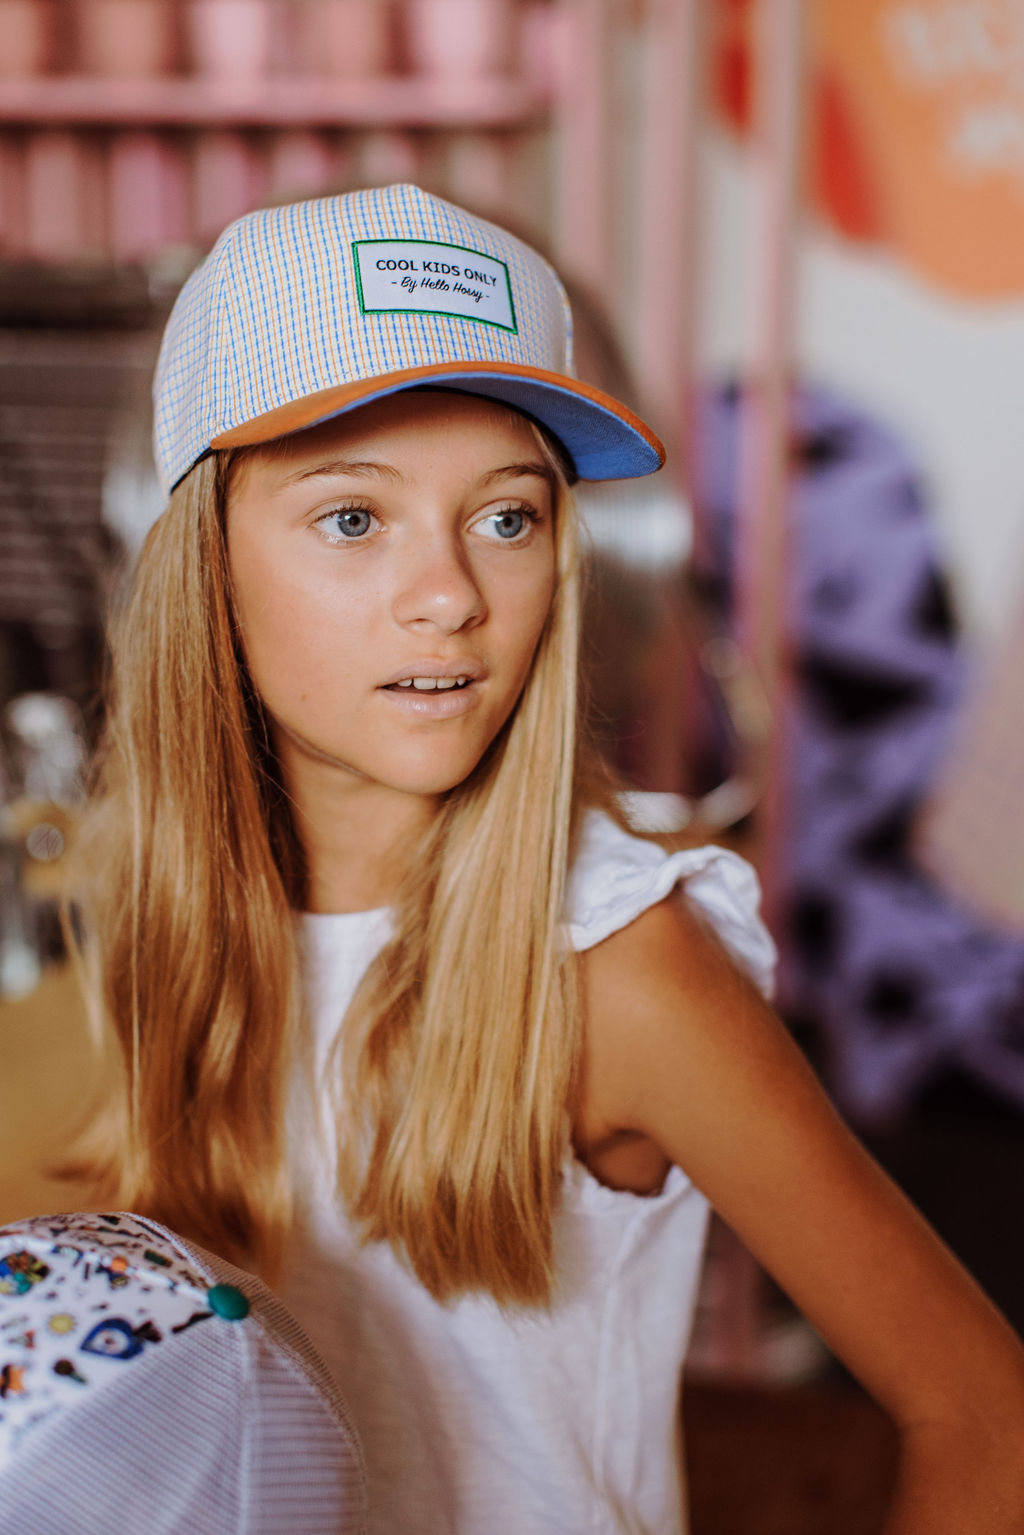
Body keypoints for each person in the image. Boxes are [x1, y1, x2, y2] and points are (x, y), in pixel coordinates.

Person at [68, 185, 1024, 1534]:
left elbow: (986, 1417)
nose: (451, 594)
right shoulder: (155, 911)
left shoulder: (618, 969)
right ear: (201, 561)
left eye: (506, 517)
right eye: (355, 518)